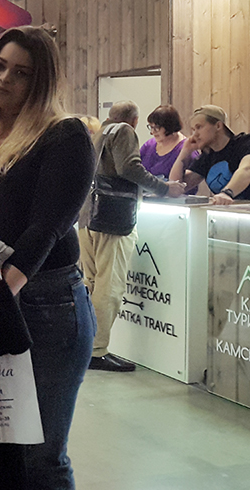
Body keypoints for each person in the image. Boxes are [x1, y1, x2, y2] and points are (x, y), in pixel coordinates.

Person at [0, 26, 94, 489]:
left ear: (41, 82)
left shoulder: (63, 136)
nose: (4, 79)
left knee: (38, 458)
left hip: (44, 305)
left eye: (22, 73)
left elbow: (46, 228)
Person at [78, 101, 185, 373]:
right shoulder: (124, 131)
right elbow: (129, 168)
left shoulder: (99, 133)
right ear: (135, 121)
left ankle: (85, 345)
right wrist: (163, 188)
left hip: (88, 217)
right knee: (109, 287)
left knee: (91, 283)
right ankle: (97, 351)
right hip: (112, 220)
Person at [169, 105, 250, 204]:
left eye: (199, 127)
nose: (195, 134)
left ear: (218, 126)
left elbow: (247, 170)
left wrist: (227, 193)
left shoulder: (249, 142)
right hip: (235, 215)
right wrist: (184, 153)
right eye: (193, 130)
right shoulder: (207, 157)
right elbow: (178, 187)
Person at [140, 105, 197, 181]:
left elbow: (188, 181)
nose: (152, 132)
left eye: (157, 128)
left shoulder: (187, 149)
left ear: (169, 127)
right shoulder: (149, 145)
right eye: (151, 127)